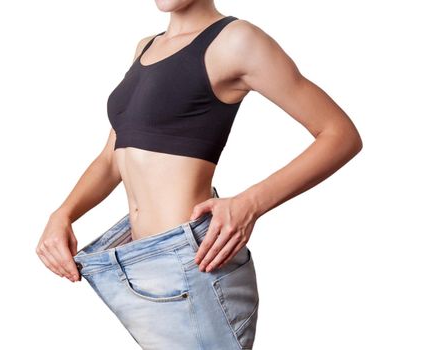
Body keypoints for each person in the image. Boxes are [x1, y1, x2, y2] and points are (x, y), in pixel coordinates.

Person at [36, 0, 363, 348]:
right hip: (138, 264)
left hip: (192, 264)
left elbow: (339, 135)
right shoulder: (145, 47)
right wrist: (63, 214)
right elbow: (111, 159)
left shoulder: (236, 41)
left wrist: (250, 204)